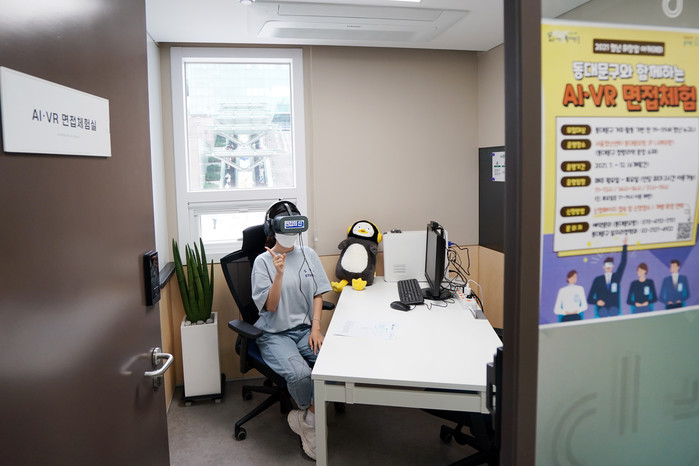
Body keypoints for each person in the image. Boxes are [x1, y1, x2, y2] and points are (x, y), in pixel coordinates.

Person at [251, 200, 332, 460]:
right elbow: (271, 306)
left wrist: (316, 328)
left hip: (306, 330)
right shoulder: (263, 262)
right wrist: (278, 274)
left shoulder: (309, 254)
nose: (290, 235)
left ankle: (307, 419)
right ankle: (311, 418)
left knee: (333, 366)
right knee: (301, 375)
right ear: (271, 229)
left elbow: (318, 294)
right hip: (274, 334)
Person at [587, 238, 628, 317]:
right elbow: (589, 299)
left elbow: (623, 263)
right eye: (606, 265)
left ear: (613, 266)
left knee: (613, 312)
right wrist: (597, 302)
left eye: (610, 265)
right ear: (603, 267)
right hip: (602, 309)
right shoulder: (597, 280)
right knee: (603, 313)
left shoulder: (616, 277)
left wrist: (625, 246)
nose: (608, 267)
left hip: (614, 308)